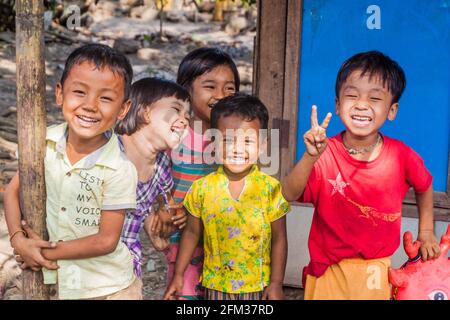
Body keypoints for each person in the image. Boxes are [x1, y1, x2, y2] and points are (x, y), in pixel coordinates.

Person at [282, 50, 441, 300]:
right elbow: (288, 193)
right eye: (352, 95)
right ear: (337, 104)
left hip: (377, 269)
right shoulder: (325, 152)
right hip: (328, 271)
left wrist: (426, 231)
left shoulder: (401, 156)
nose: (362, 104)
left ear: (392, 110)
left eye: (375, 98)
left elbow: (424, 185)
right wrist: (310, 156)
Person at [4, 44, 140, 299]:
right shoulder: (42, 144)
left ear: (123, 109)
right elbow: (12, 191)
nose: (90, 105)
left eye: (106, 98)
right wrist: (18, 241)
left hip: (107, 288)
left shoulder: (120, 169)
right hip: (58, 282)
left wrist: (40, 252)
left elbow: (105, 240)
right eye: (79, 92)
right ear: (60, 93)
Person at [164, 94, 290, 300]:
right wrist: (178, 275)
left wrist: (276, 283)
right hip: (216, 286)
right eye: (228, 140)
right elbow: (191, 234)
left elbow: (279, 239)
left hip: (258, 286)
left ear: (263, 145)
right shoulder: (202, 188)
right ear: (213, 143)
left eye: (248, 140)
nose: (237, 148)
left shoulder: (270, 189)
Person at [157, 47, 241, 299]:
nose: (221, 95)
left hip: (226, 240)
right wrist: (166, 205)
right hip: (183, 240)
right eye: (210, 86)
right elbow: (157, 179)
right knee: (184, 294)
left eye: (229, 88)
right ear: (186, 89)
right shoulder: (175, 135)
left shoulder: (236, 138)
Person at [116, 77, 190, 279]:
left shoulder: (162, 166)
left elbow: (153, 205)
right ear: (145, 112)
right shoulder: (109, 150)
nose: (184, 120)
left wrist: (166, 220)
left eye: (187, 116)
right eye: (176, 110)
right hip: (84, 261)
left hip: (125, 269)